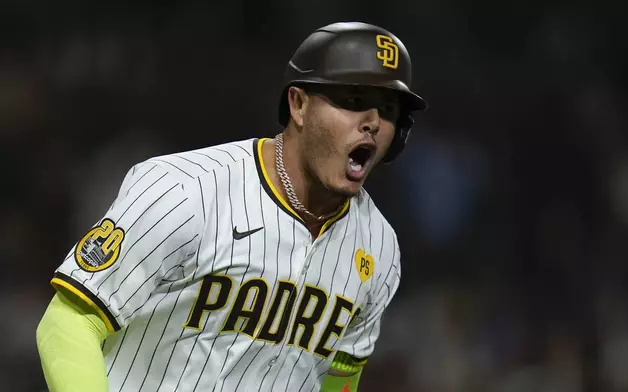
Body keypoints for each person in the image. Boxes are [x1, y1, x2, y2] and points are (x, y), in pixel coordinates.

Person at [36, 21, 427, 392]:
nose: (373, 122)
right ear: (299, 105)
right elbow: (68, 323)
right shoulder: (185, 190)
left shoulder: (379, 247)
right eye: (354, 100)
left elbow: (341, 377)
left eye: (388, 110)